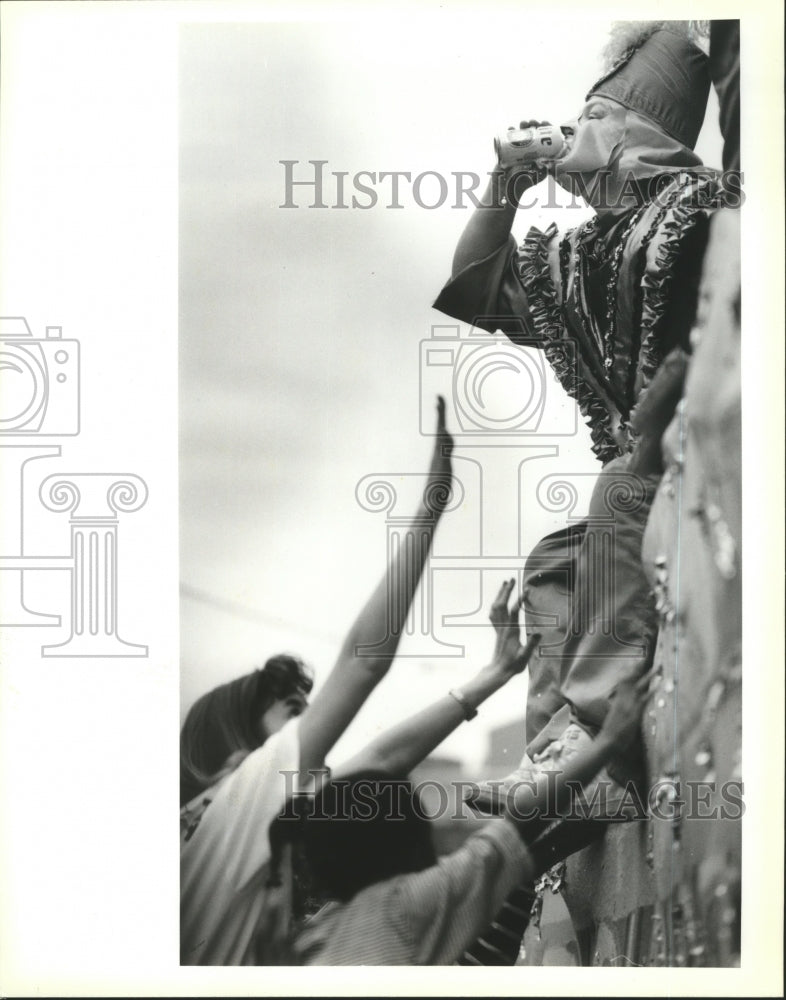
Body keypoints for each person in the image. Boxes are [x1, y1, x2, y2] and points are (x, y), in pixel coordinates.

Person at [432, 21, 723, 802]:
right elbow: (476, 290)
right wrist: (504, 186)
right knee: (557, 560)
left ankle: (596, 736)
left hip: (711, 451)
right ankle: (560, 762)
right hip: (641, 465)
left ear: (639, 132)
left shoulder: (702, 209)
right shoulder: (580, 254)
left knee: (621, 488)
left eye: (594, 116)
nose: (569, 130)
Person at [180, 400, 540, 965]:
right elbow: (363, 665)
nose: (317, 723)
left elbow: (383, 758)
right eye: (295, 712)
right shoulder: (232, 808)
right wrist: (429, 511)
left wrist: (493, 675)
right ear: (241, 747)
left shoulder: (244, 833)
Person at [283, 675, 648, 965]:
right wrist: (607, 742)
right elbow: (519, 826)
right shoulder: (397, 908)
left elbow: (513, 854)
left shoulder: (312, 939)